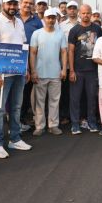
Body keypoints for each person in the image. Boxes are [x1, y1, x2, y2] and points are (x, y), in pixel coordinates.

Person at [0, 0, 33, 158]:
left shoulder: (19, 22)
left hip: (19, 72)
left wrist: (26, 68)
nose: (12, 7)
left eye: (14, 4)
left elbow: (23, 46)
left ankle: (15, 138)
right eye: (9, 4)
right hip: (2, 75)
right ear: (3, 5)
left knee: (16, 107)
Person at [29, 8, 67, 136]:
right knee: (39, 102)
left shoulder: (60, 34)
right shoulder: (37, 33)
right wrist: (33, 71)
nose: (51, 20)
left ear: (56, 19)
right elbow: (32, 53)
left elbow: (64, 52)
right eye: (48, 18)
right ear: (44, 19)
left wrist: (64, 69)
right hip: (40, 73)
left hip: (56, 73)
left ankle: (53, 125)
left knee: (54, 101)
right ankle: (39, 126)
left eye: (53, 18)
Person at [68, 4, 102, 134]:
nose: (86, 15)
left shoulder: (97, 29)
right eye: (83, 13)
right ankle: (75, 124)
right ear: (79, 14)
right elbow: (71, 51)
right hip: (77, 70)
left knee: (91, 99)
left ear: (91, 14)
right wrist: (71, 70)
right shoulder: (74, 30)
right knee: (75, 99)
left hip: (93, 70)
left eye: (88, 13)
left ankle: (92, 122)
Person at [18, 0, 43, 131]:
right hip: (14, 59)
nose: (28, 5)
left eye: (30, 3)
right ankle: (13, 120)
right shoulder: (14, 18)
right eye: (25, 2)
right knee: (14, 92)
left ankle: (21, 119)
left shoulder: (37, 21)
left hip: (31, 60)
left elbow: (41, 40)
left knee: (26, 92)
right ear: (20, 3)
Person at [59, 0, 79, 125]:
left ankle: (78, 116)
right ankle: (65, 115)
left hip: (80, 62)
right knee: (65, 91)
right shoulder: (61, 26)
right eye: (70, 8)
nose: (72, 10)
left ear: (77, 10)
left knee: (78, 92)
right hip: (65, 63)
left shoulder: (82, 24)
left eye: (74, 8)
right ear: (66, 10)